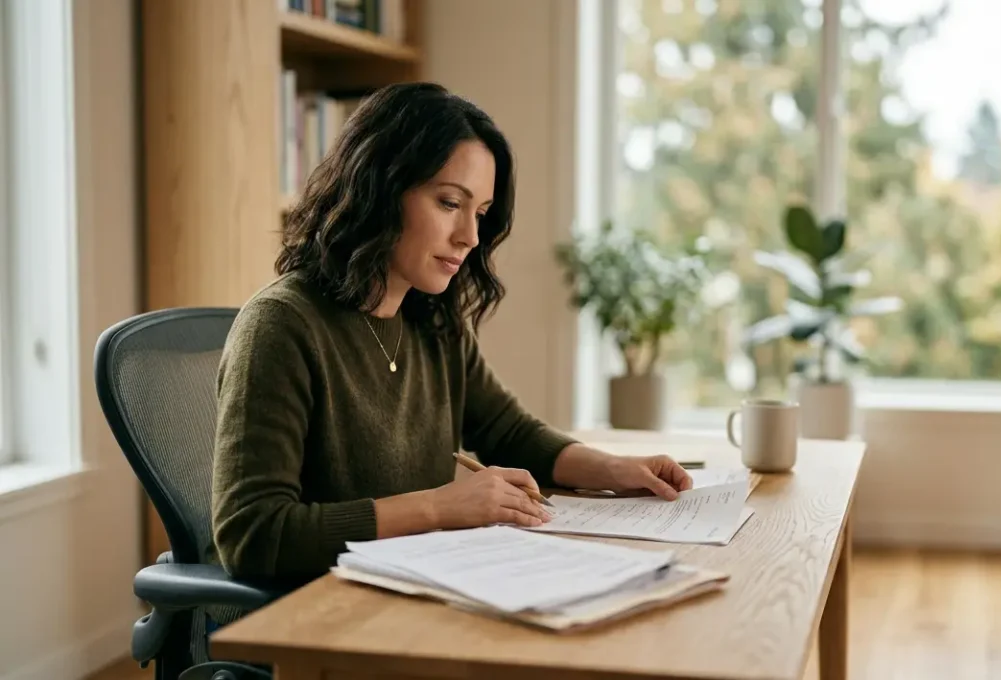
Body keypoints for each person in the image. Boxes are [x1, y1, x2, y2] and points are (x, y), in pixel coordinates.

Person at [210, 83, 692, 581]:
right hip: (313, 616)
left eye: (480, 213)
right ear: (379, 187)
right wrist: (441, 508)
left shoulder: (431, 319)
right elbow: (254, 536)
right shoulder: (280, 327)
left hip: (413, 587)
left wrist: (615, 470)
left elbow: (509, 434)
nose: (470, 236)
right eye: (448, 202)